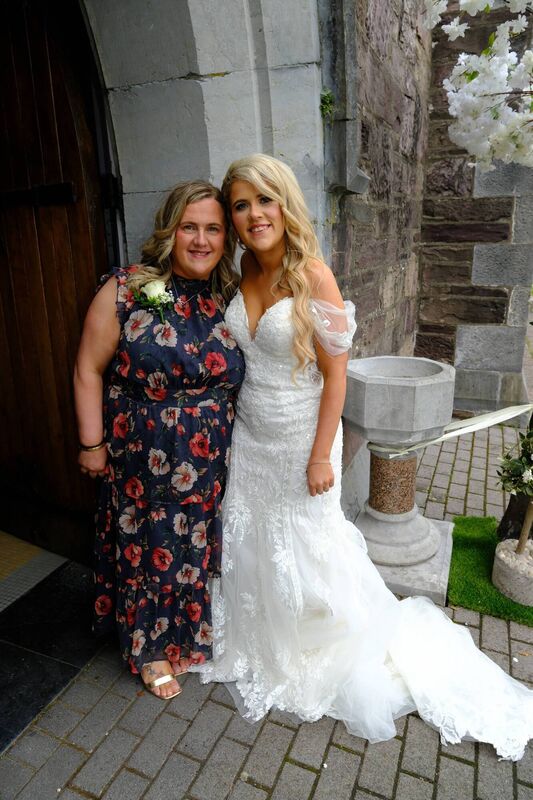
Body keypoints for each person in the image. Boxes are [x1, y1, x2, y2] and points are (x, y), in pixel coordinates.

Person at [191, 154, 533, 760]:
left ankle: (321, 639)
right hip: (251, 437)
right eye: (240, 205)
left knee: (311, 545)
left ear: (284, 202)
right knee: (255, 537)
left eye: (263, 200)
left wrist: (323, 456)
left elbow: (337, 377)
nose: (252, 215)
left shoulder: (313, 275)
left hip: (300, 439)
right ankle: (266, 633)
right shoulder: (242, 266)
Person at [74, 181, 245, 699]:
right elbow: (88, 367)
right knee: (148, 547)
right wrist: (91, 443)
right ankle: (149, 648)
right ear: (169, 231)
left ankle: (188, 635)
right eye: (189, 227)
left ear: (225, 237)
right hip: (140, 457)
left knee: (194, 548)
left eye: (212, 229)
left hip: (209, 460)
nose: (200, 240)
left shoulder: (228, 296)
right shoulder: (126, 289)